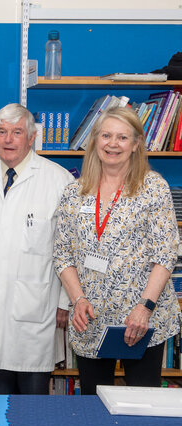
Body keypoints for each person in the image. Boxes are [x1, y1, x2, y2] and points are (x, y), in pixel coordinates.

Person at [54, 107, 181, 394]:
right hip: (90, 318)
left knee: (140, 402)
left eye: (122, 137)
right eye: (106, 135)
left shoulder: (154, 188)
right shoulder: (74, 192)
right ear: (95, 140)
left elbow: (165, 255)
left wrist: (144, 308)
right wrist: (77, 300)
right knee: (93, 404)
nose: (113, 144)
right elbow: (62, 254)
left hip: (141, 319)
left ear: (136, 144)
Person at [0, 103, 73, 395]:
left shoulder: (59, 180)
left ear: (32, 137)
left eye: (17, 132)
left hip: (37, 310)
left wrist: (65, 301)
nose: (8, 139)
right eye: (2, 132)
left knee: (32, 404)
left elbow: (71, 249)